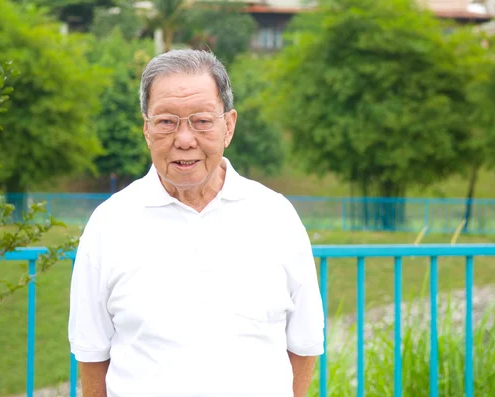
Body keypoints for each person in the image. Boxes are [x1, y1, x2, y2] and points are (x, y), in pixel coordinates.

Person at [68, 49, 325, 397]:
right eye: (166, 122)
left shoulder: (276, 217)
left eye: (202, 121)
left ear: (228, 126)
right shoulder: (109, 224)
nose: (185, 139)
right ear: (146, 129)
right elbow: (91, 352)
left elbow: (305, 343)